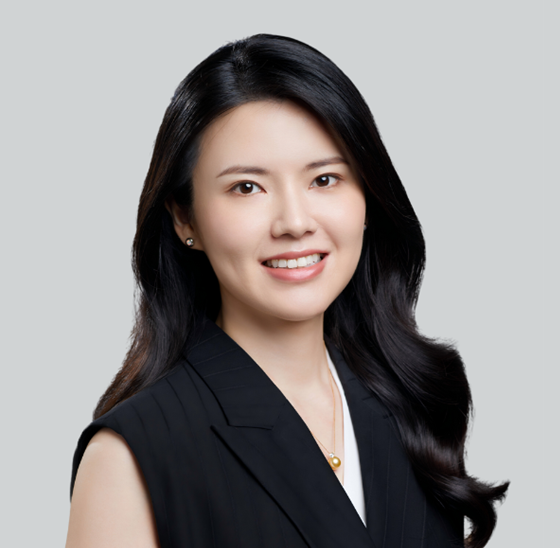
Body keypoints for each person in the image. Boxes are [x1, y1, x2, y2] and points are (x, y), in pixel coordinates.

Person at [65, 34, 508, 548]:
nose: (295, 222)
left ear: (368, 196)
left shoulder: (414, 403)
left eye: (325, 179)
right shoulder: (130, 457)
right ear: (185, 217)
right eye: (246, 187)